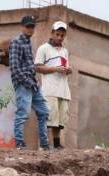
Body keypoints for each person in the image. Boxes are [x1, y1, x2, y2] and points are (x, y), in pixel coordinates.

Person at [9, 15, 50, 151]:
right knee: (22, 114)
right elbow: (15, 69)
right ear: (22, 27)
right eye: (28, 26)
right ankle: (19, 144)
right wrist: (28, 81)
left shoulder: (28, 42)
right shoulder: (16, 42)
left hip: (32, 83)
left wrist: (35, 79)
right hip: (23, 84)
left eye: (32, 26)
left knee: (44, 112)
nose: (30, 29)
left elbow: (29, 66)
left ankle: (45, 145)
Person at [35, 21, 72, 150]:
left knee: (60, 121)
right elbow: (38, 67)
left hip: (63, 89)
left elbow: (66, 67)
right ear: (52, 33)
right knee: (48, 118)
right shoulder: (43, 48)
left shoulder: (65, 51)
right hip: (50, 89)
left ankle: (57, 144)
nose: (60, 37)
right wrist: (55, 69)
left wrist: (68, 70)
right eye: (57, 34)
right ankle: (43, 144)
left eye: (62, 35)